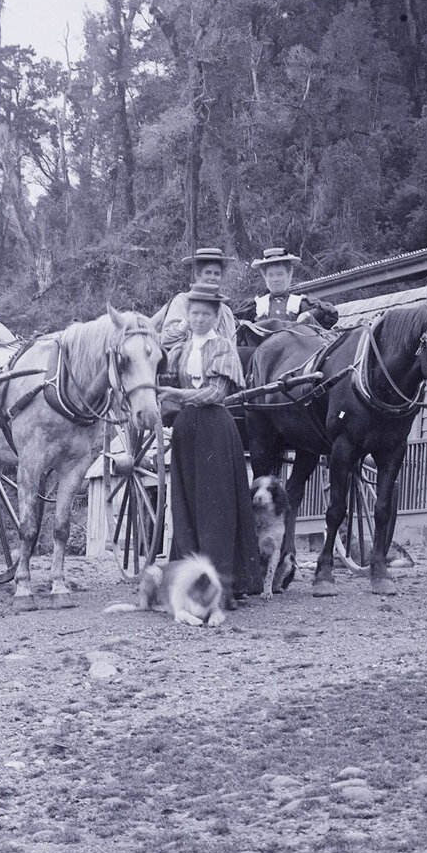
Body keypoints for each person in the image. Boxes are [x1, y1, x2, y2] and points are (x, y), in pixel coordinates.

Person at [159, 282, 261, 609]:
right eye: (194, 313)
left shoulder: (223, 349)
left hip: (216, 429)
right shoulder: (181, 349)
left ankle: (223, 587)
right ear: (187, 316)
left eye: (206, 314)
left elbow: (216, 394)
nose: (199, 319)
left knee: (217, 511)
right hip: (186, 431)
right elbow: (163, 376)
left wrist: (176, 395)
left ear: (217, 316)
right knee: (187, 508)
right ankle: (190, 586)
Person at [152, 246, 238, 351]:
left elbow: (232, 349)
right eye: (208, 273)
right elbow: (167, 341)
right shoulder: (182, 301)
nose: (212, 278)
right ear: (198, 275)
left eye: (217, 274)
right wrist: (189, 320)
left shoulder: (226, 312)